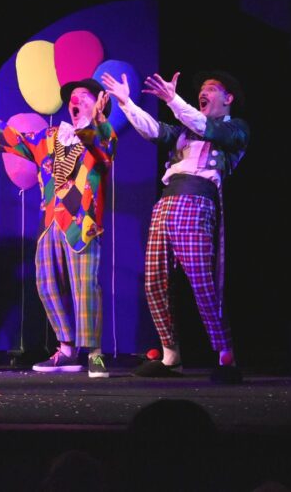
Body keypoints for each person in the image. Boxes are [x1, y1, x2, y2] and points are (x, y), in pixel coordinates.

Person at [101, 71, 248, 383]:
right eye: (202, 89)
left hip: (196, 202)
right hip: (166, 202)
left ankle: (226, 356)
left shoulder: (235, 129)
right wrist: (126, 103)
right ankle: (171, 356)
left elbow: (205, 126)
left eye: (211, 89)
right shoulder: (184, 130)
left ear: (229, 98)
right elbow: (154, 130)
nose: (204, 93)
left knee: (202, 282)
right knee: (154, 281)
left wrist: (172, 99)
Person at [0, 79, 115, 378]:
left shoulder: (102, 133)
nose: (76, 101)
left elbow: (103, 152)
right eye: (73, 97)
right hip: (49, 223)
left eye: (84, 97)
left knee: (85, 287)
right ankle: (67, 349)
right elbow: (15, 140)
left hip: (81, 222)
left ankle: (95, 355)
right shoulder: (50, 136)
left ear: (99, 103)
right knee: (46, 285)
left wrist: (96, 121)